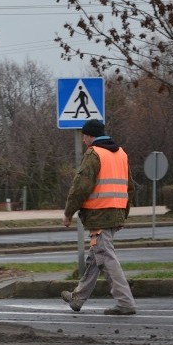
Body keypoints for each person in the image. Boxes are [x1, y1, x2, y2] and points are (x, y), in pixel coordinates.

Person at [61, 119, 137, 315]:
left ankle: (125, 303)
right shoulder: (121, 154)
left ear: (88, 136)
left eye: (84, 137)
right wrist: (123, 214)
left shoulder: (94, 154)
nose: (84, 141)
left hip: (99, 214)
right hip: (115, 213)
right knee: (96, 258)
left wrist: (68, 213)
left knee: (106, 258)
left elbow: (80, 187)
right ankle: (77, 298)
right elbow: (130, 187)